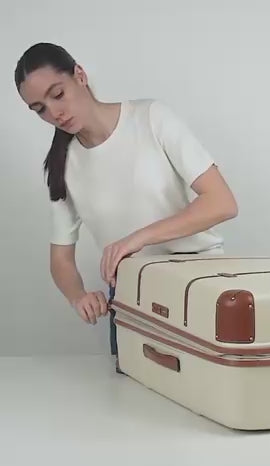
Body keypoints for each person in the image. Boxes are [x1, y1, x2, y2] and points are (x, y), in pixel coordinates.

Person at [14, 42, 238, 351]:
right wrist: (78, 296)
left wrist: (137, 239)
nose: (54, 113)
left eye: (58, 94)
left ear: (80, 75)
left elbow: (222, 202)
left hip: (198, 285)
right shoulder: (62, 165)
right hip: (133, 299)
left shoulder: (150, 118)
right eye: (39, 109)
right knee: (127, 383)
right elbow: (60, 258)